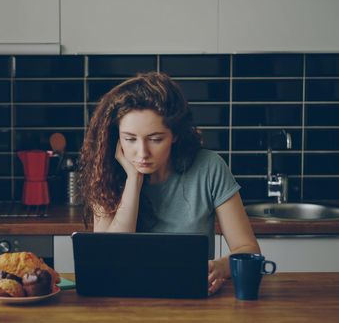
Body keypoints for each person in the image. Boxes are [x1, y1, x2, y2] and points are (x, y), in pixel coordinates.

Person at [77, 72, 260, 295]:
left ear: (175, 134)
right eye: (130, 139)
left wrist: (218, 267)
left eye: (156, 139)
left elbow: (248, 249)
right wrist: (133, 180)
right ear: (117, 137)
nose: (142, 153)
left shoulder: (209, 167)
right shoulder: (106, 172)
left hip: (193, 301)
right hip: (125, 303)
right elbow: (107, 260)